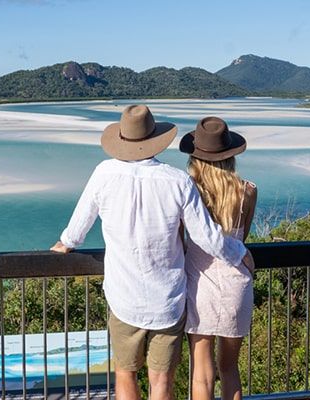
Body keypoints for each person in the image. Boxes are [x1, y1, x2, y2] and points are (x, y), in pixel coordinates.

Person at [51, 105, 254, 400]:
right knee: (161, 381)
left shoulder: (103, 173)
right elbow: (206, 238)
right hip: (168, 300)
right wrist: (239, 253)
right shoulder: (177, 181)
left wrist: (65, 244)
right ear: (155, 138)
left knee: (125, 375)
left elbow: (77, 228)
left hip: (123, 297)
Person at [178, 116, 256, 400]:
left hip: (200, 286)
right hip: (237, 284)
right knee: (230, 368)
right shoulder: (247, 191)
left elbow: (182, 237)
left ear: (196, 158)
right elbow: (240, 240)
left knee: (202, 372)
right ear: (231, 155)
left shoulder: (190, 191)